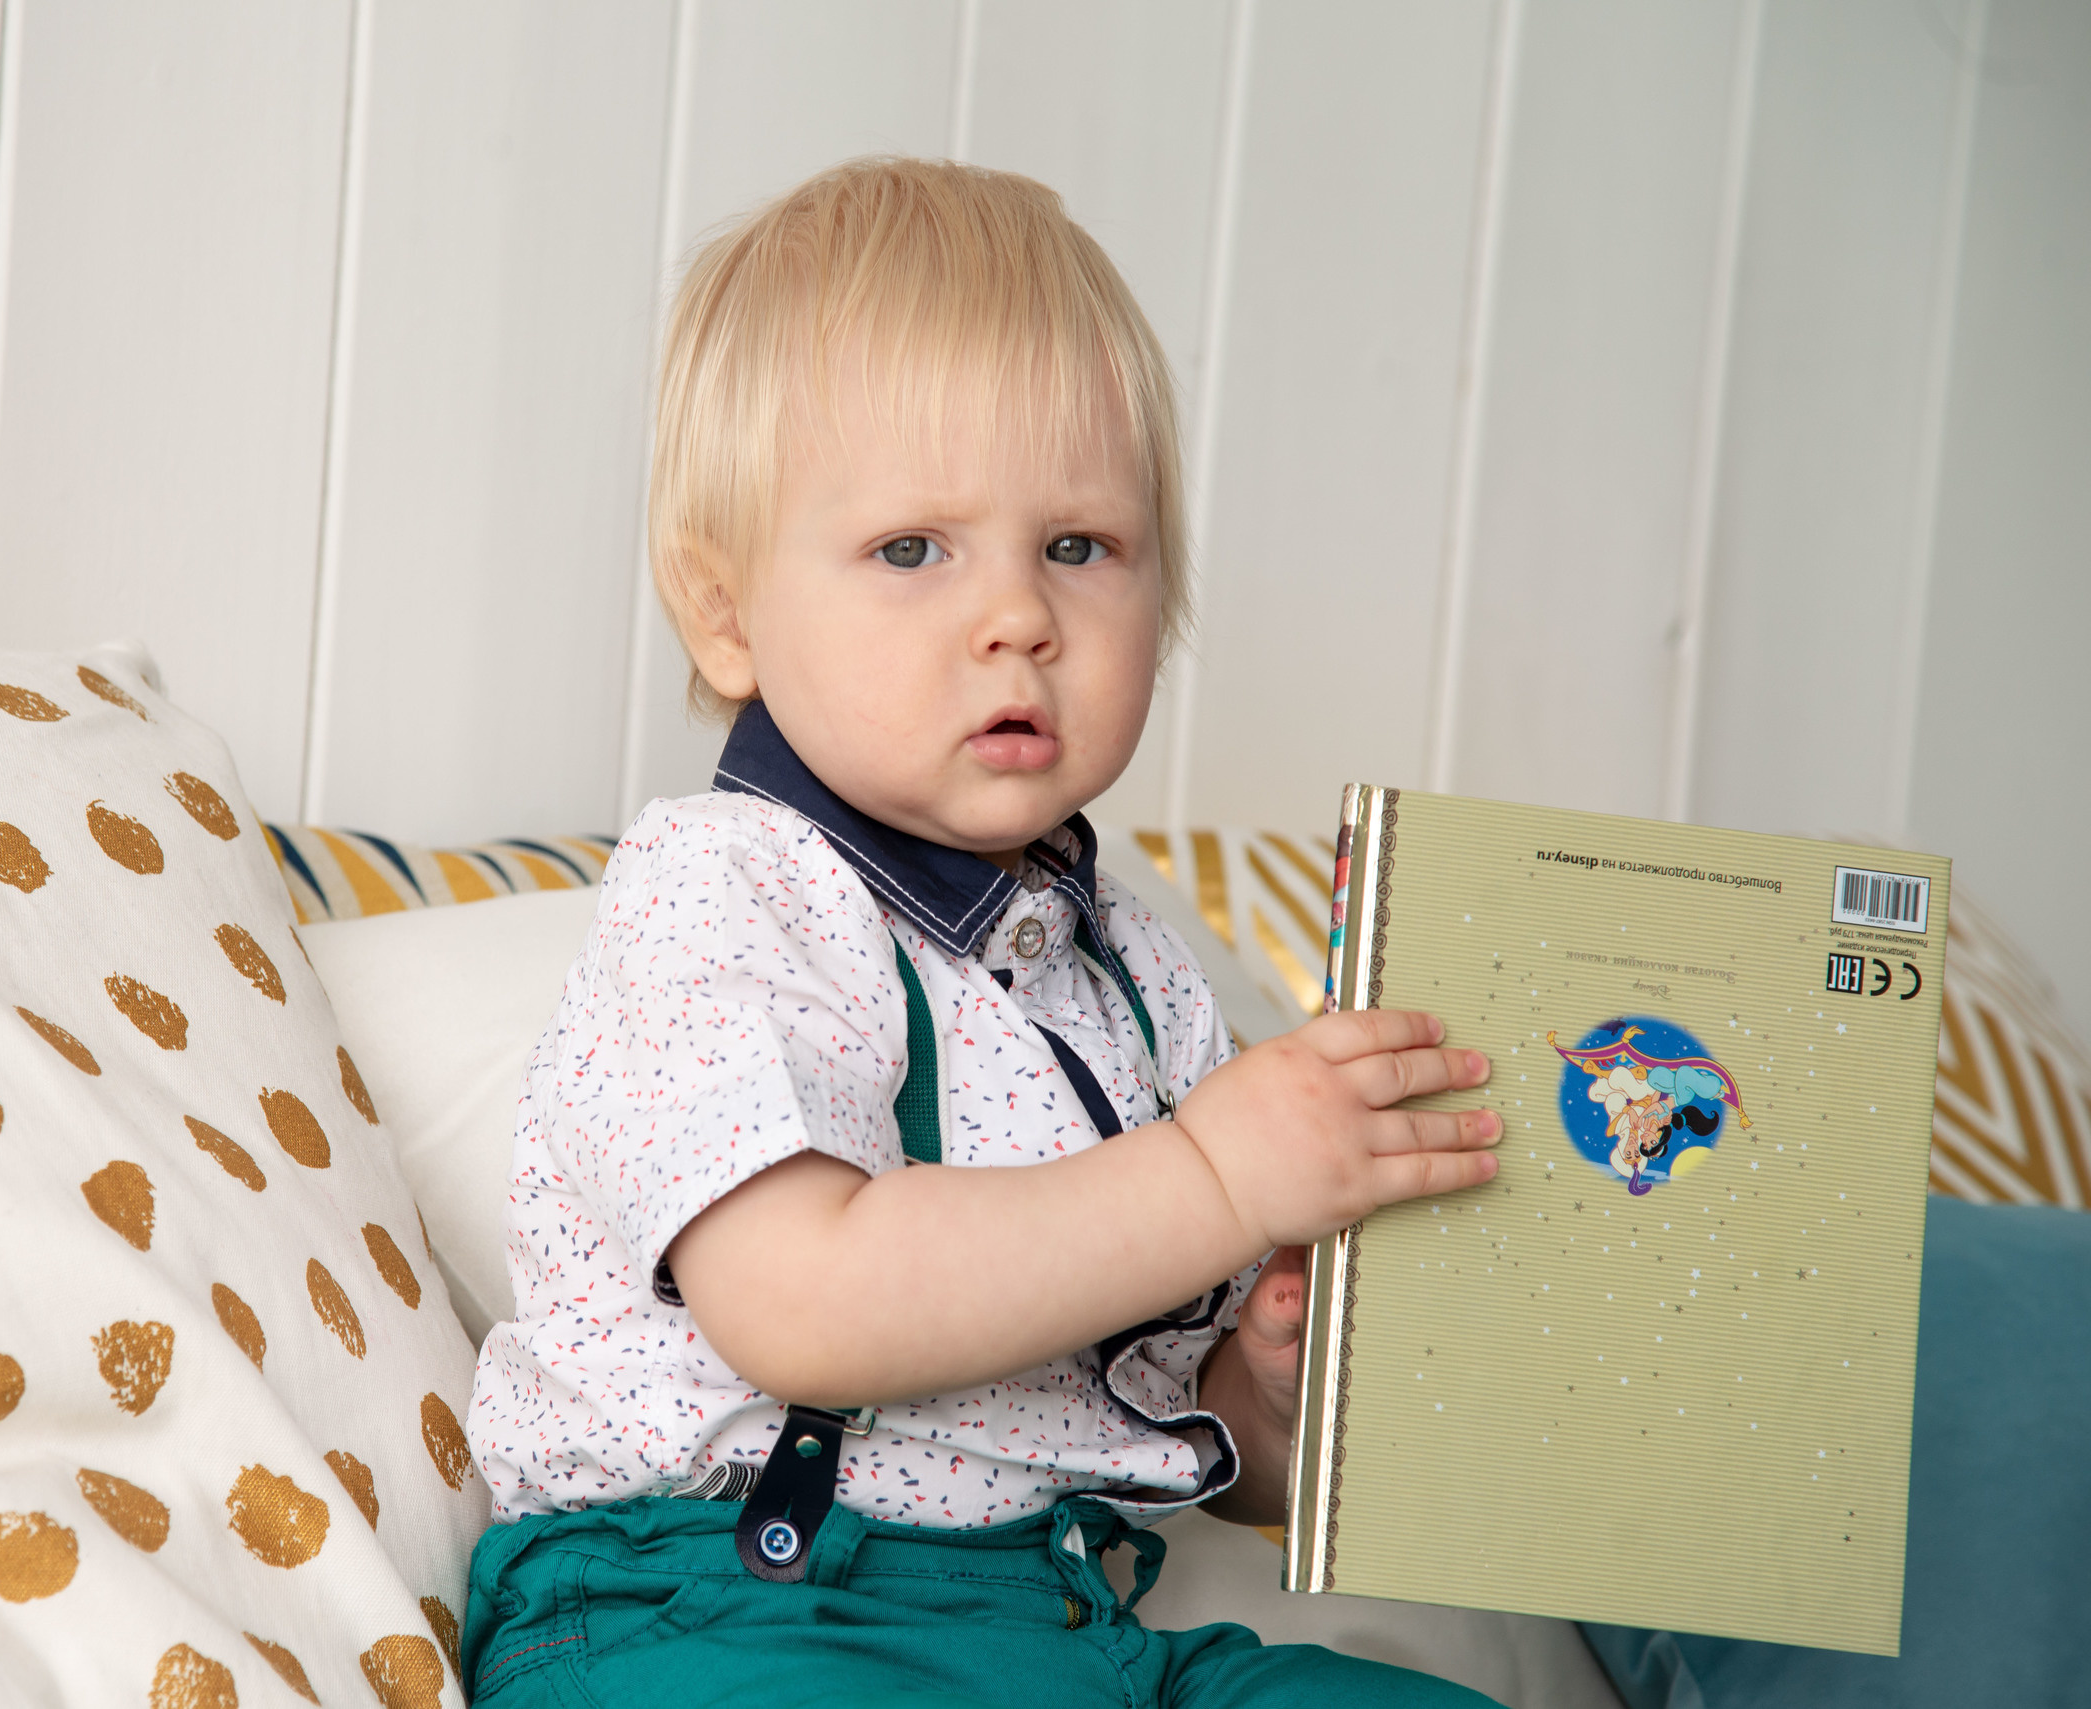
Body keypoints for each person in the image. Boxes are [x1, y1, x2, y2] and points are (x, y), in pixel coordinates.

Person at [461, 157, 1504, 1708]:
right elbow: (803, 1301)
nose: (1018, 612)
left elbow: (1165, 1419)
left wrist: (1268, 1396)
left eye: (1079, 546)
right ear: (726, 612)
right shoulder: (720, 892)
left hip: (1063, 1623)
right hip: (724, 1608)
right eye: (912, 549)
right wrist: (1214, 1173)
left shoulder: (1139, 977)